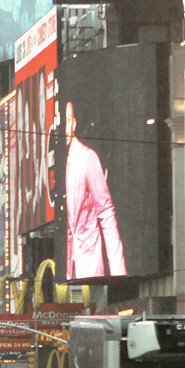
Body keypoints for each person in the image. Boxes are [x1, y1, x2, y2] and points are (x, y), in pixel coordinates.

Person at [64, 100, 127, 279]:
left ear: (74, 124)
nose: (65, 128)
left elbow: (106, 212)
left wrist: (118, 274)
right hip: (64, 267)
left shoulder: (87, 157)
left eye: (68, 121)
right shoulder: (53, 164)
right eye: (61, 121)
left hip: (88, 264)